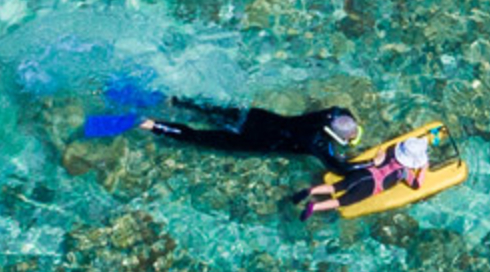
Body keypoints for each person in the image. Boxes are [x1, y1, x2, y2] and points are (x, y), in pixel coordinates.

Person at [139, 98, 365, 175]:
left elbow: (340, 111)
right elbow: (339, 168)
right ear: (333, 136)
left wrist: (348, 123)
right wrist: (371, 163)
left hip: (259, 119)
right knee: (198, 137)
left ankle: (177, 101)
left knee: (214, 112)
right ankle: (152, 125)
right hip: (253, 140)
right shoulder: (318, 144)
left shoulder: (329, 114)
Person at [292, 136, 430, 220]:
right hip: (369, 187)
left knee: (336, 186)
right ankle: (314, 206)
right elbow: (417, 185)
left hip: (364, 173)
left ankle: (310, 191)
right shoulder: (405, 172)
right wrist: (423, 168)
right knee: (341, 201)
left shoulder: (392, 151)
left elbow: (382, 153)